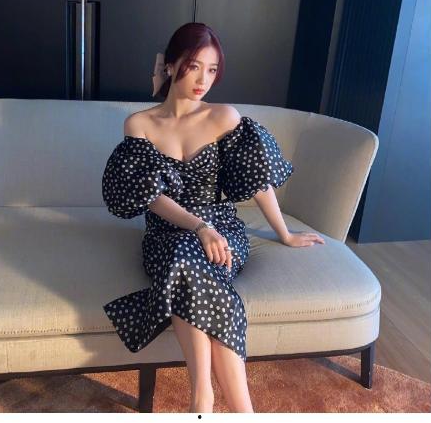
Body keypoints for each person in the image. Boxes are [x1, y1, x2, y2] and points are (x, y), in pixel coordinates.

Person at [101, 22, 325, 413]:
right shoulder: (139, 124)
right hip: (167, 233)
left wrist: (285, 233)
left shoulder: (223, 117)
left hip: (224, 232)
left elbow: (257, 182)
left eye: (212, 69)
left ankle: (203, 401)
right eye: (194, 67)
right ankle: (232, 407)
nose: (204, 80)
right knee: (183, 255)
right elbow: (151, 197)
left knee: (186, 264)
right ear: (171, 65)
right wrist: (198, 227)